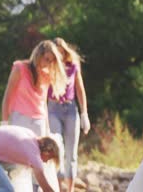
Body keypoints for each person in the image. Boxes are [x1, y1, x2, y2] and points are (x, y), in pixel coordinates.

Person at [47, 37, 90, 192]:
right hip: (53, 109)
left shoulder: (73, 66)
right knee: (57, 148)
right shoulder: (49, 67)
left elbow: (80, 89)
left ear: (64, 51)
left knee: (71, 152)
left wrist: (84, 113)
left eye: (60, 52)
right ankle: (58, 187)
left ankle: (70, 188)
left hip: (71, 109)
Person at [1, 40, 67, 137]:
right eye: (46, 59)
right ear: (39, 55)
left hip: (39, 121)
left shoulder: (46, 76)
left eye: (51, 61)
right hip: (20, 119)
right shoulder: (20, 68)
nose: (47, 64)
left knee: (37, 152)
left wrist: (47, 130)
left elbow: (43, 103)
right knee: (20, 151)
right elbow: (7, 97)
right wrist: (4, 124)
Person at [0, 125, 60, 192]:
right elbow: (46, 188)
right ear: (46, 151)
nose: (46, 161)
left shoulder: (30, 137)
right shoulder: (33, 152)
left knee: (17, 169)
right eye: (49, 158)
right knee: (7, 190)